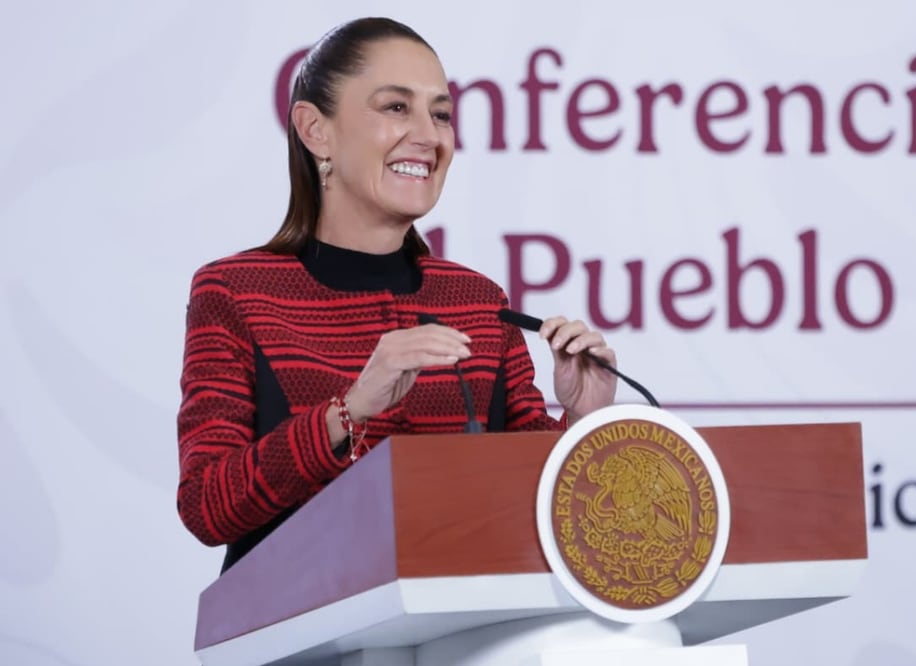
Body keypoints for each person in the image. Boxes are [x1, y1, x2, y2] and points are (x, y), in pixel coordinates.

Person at [176, 17, 618, 572]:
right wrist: (352, 407)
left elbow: (534, 500)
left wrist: (582, 419)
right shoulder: (237, 293)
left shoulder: (479, 302)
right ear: (316, 130)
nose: (430, 137)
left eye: (441, 114)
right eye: (395, 107)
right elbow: (207, 508)